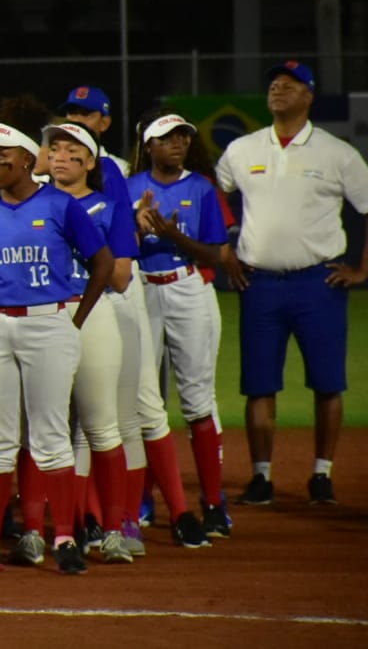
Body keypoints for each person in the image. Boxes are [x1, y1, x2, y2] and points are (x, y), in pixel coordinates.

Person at [0, 122, 113, 577]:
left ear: (28, 159)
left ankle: (63, 537)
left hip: (48, 322)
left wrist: (75, 318)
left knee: (49, 435)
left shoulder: (60, 204)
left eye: (3, 155)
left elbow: (102, 262)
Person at [217, 61, 368, 507]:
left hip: (318, 282)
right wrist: (226, 252)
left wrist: (362, 271)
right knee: (258, 384)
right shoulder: (243, 149)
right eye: (274, 82)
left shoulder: (336, 153)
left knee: (327, 382)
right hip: (258, 283)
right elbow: (213, 198)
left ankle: (322, 472)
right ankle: (261, 476)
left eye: (290, 83)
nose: (278, 88)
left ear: (309, 96)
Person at [127, 113, 231, 537]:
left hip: (188, 288)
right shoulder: (131, 189)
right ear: (148, 145)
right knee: (142, 401)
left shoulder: (200, 188)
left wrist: (174, 237)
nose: (177, 143)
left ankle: (212, 502)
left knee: (197, 400)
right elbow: (117, 249)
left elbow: (216, 257)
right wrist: (136, 227)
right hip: (140, 290)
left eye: (182, 136)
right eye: (166, 138)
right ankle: (142, 498)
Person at [43, 122, 134, 563]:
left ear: (91, 162)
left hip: (93, 311)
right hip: (45, 315)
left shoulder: (109, 207)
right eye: (55, 147)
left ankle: (113, 529)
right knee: (50, 429)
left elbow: (120, 276)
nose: (60, 155)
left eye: (72, 148)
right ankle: (66, 527)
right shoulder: (33, 204)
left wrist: (82, 238)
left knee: (100, 426)